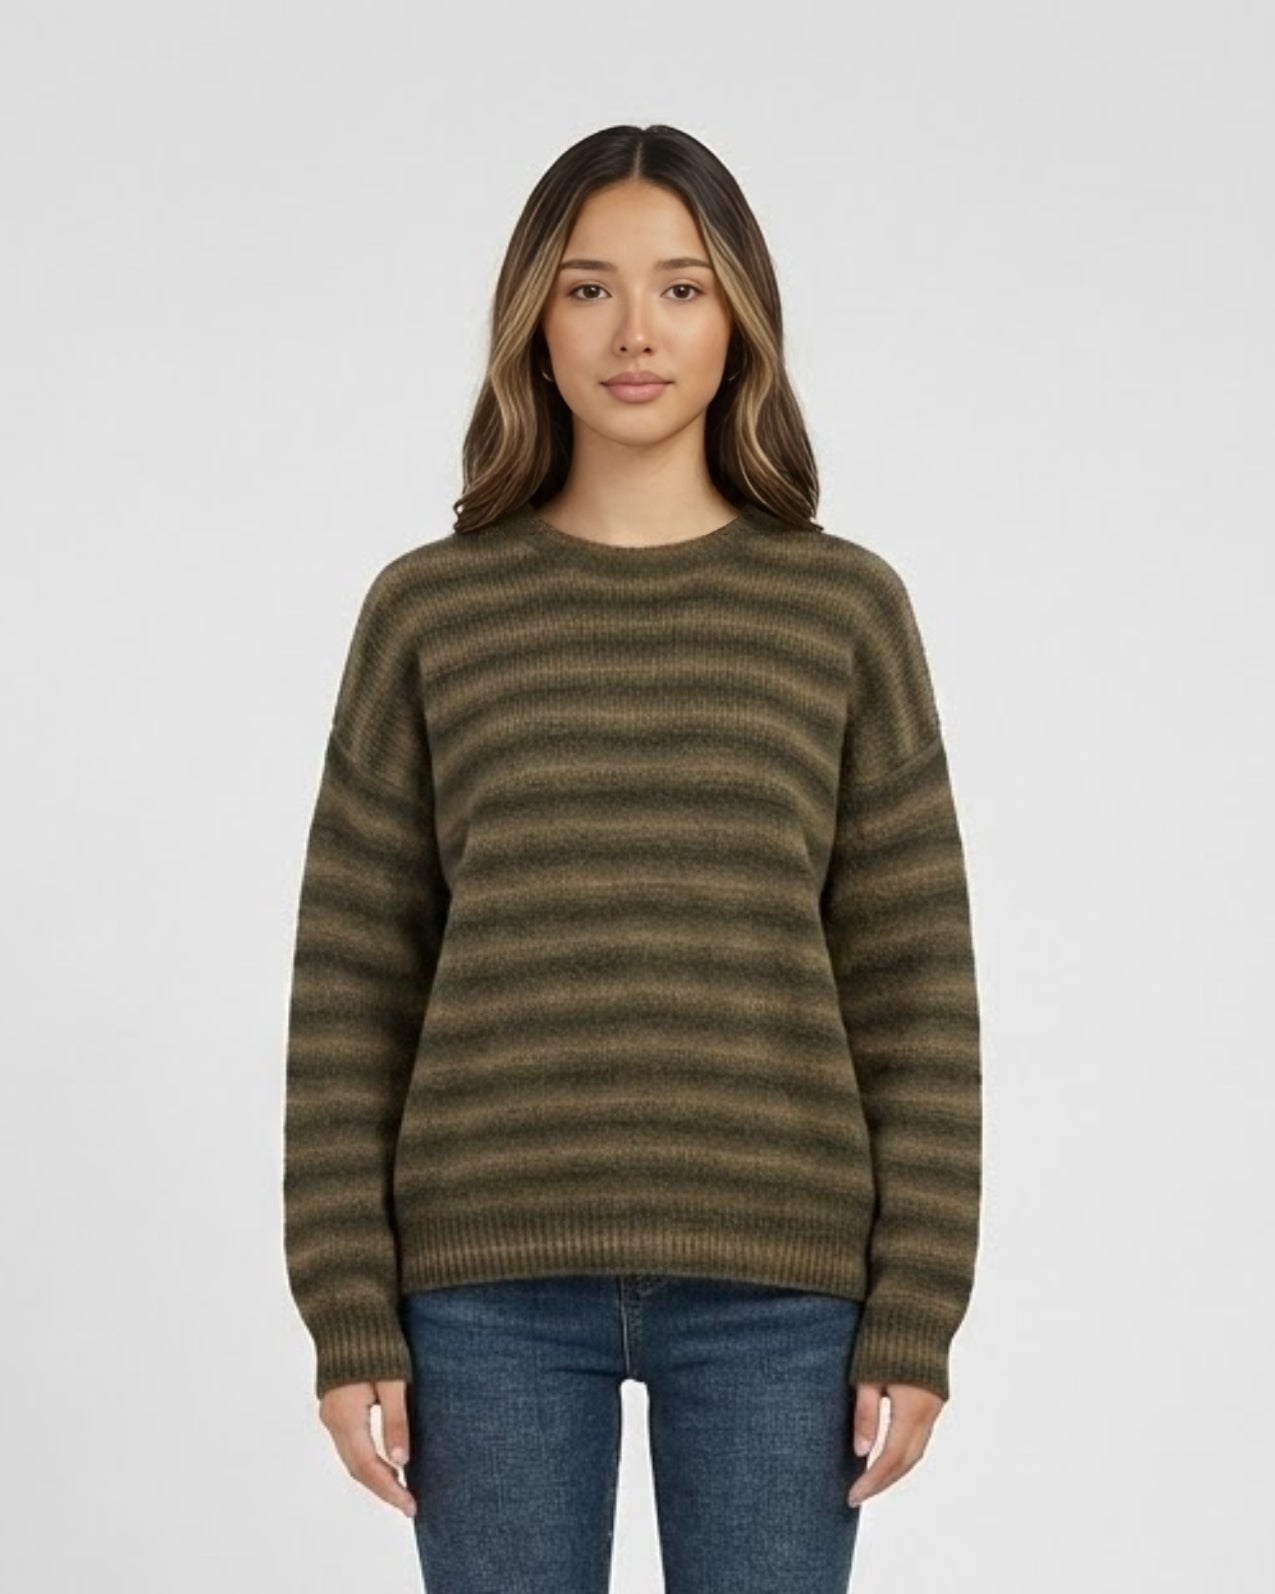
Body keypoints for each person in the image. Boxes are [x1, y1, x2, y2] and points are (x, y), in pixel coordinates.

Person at [283, 123, 982, 1593]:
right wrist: (348, 1308)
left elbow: (915, 984)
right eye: (590, 288)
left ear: (741, 320)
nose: (636, 332)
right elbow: (352, 980)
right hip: (483, 1285)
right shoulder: (430, 613)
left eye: (681, 286)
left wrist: (916, 1307)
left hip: (782, 1287)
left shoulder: (842, 611)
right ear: (535, 323)